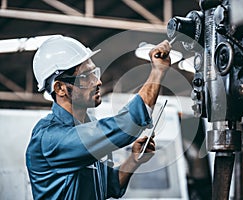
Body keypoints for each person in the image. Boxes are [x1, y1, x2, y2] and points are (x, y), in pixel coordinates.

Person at [25, 35, 171, 199]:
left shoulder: (89, 125)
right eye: (86, 76)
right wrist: (157, 72)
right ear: (60, 88)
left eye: (94, 72)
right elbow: (127, 124)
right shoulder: (49, 138)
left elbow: (108, 185)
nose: (98, 81)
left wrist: (133, 160)